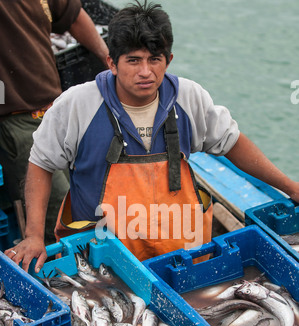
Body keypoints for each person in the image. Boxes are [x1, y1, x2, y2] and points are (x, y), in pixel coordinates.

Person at [5, 0, 299, 273]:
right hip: (102, 261)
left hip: (180, 258)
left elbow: (232, 143)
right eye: (133, 61)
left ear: (168, 60)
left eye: (154, 59)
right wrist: (33, 235)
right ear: (112, 62)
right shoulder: (78, 104)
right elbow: (40, 164)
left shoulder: (189, 97)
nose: (145, 72)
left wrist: (290, 187)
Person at [0, 0, 109, 245]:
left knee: (87, 201)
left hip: (56, 110)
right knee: (58, 216)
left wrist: (107, 58)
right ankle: (61, 272)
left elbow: (73, 16)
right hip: (18, 122)